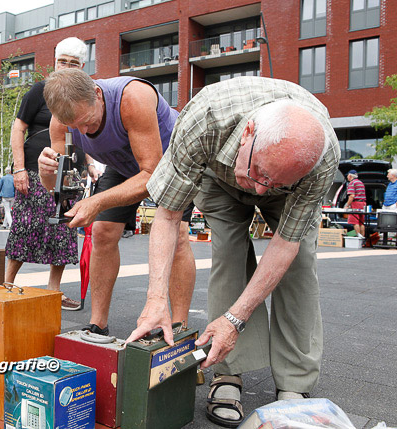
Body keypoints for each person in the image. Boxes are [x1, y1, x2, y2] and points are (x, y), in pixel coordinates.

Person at [130, 77, 340, 426]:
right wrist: (156, 300)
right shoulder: (206, 118)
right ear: (248, 133)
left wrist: (235, 318)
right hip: (219, 175)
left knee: (300, 264)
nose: (258, 191)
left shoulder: (320, 159)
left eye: (269, 182)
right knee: (229, 251)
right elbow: (168, 214)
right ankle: (228, 372)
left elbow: (285, 242)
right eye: (257, 173)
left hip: (288, 187)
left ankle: (295, 383)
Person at [39, 68, 196, 330]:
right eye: (76, 126)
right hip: (122, 164)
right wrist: (46, 172)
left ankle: (179, 328)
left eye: (88, 121)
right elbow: (57, 186)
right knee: (101, 232)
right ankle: (97, 325)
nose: (84, 132)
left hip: (170, 161)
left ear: (97, 94)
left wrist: (97, 201)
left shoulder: (133, 97)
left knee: (177, 236)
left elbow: (151, 175)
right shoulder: (62, 122)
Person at [4, 37, 89, 311]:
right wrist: (18, 168)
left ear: (82, 67)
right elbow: (18, 129)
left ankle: (54, 291)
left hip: (69, 173)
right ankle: (6, 285)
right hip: (31, 169)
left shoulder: (84, 95)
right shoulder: (39, 90)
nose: (66, 67)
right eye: (62, 61)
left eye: (73, 63)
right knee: (24, 227)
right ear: (54, 62)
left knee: (63, 231)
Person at [343, 170, 366, 238]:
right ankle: (362, 239)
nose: (347, 177)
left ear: (350, 176)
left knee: (355, 221)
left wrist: (347, 205)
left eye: (347, 176)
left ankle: (358, 238)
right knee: (361, 222)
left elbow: (352, 196)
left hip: (356, 204)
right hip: (363, 203)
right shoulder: (361, 183)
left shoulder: (352, 183)